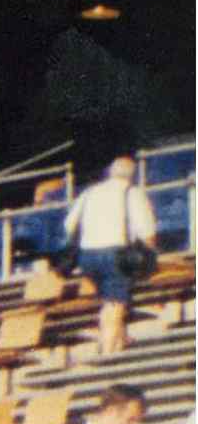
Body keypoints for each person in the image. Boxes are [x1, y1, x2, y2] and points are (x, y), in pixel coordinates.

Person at [65, 148, 157, 361]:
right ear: (132, 175)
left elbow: (69, 225)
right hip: (116, 254)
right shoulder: (132, 192)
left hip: (87, 256)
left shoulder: (88, 193)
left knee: (109, 301)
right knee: (115, 303)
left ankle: (119, 339)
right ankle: (108, 352)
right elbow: (148, 231)